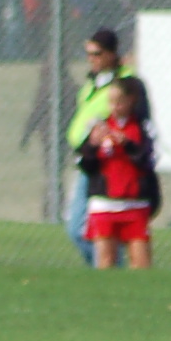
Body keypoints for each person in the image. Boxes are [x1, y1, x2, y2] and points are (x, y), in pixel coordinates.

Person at [63, 28, 131, 264]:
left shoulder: (124, 83)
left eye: (96, 54)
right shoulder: (92, 83)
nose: (91, 59)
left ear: (111, 54)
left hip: (107, 163)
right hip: (87, 160)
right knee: (79, 229)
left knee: (90, 230)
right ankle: (106, 270)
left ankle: (109, 271)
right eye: (88, 54)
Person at [79, 73, 160, 270]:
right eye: (111, 102)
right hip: (104, 204)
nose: (114, 107)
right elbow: (85, 164)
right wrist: (92, 145)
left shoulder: (141, 128)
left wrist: (127, 144)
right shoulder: (100, 127)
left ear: (130, 100)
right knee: (106, 262)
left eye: (119, 101)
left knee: (141, 264)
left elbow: (148, 160)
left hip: (134, 204)